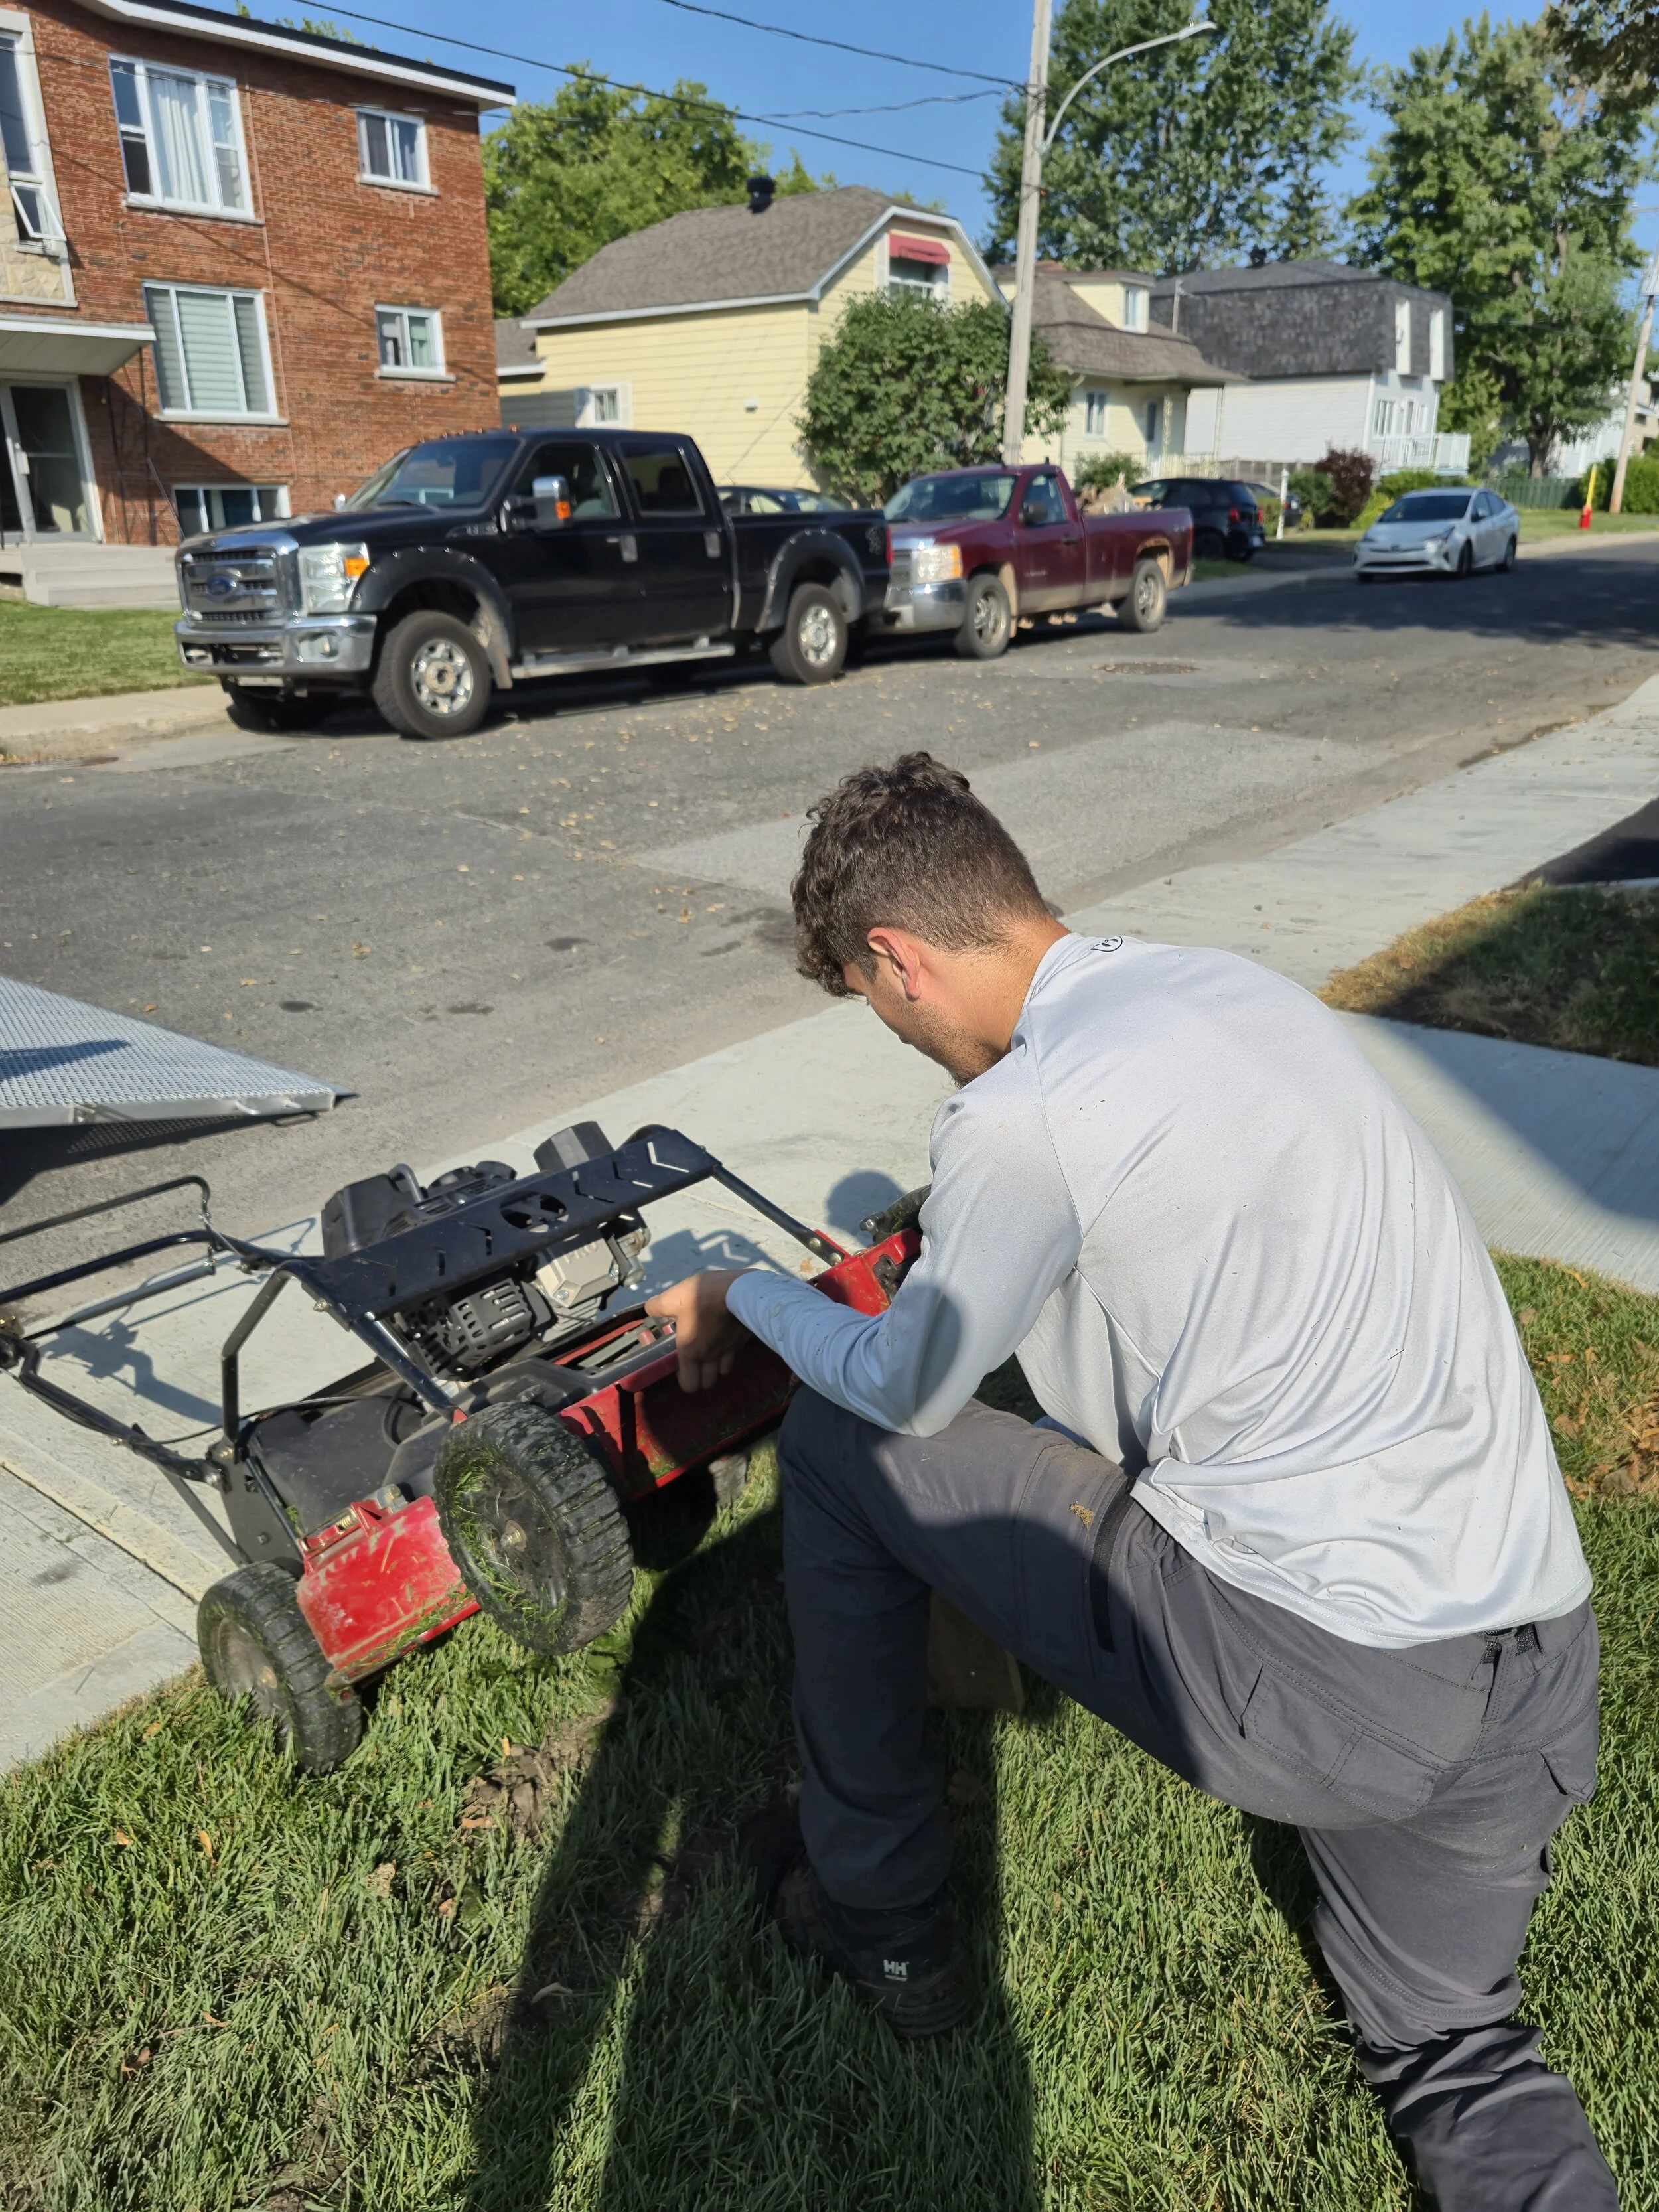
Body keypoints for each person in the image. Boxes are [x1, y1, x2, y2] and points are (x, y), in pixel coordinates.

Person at [644, 753, 1612, 2211]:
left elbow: (910, 1385)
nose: (896, 1034)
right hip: (1532, 1664)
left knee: (849, 1443)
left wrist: (745, 1300)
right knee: (1451, 2043)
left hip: (1323, 1683)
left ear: (894, 961)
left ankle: (881, 1918)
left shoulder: (1026, 1114)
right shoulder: (1227, 991)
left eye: (871, 1002)